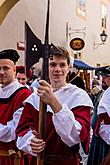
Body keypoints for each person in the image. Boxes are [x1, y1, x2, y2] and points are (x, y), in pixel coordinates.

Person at [16, 46, 93, 165]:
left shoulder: (78, 96)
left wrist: (53, 101)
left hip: (66, 161)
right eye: (52, 64)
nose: (57, 69)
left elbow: (75, 136)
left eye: (62, 65)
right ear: (46, 68)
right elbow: (22, 130)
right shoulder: (35, 97)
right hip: (38, 161)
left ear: (69, 67)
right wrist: (31, 142)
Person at [0, 49, 32, 165]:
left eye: (6, 68)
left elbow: (14, 131)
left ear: (14, 70)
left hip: (12, 159)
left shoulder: (23, 94)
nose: (2, 72)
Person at [87, 67, 110, 165]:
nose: (103, 80)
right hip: (98, 141)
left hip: (106, 143)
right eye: (103, 77)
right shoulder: (103, 93)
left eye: (106, 77)